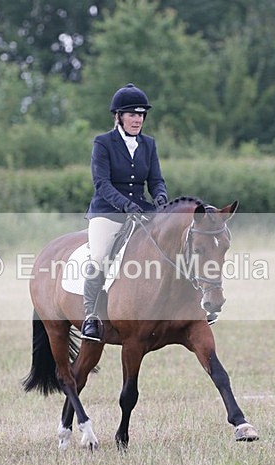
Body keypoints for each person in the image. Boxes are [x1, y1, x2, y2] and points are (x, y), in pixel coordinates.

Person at [81, 83, 168, 341]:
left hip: (142, 210)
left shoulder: (149, 144)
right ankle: (91, 317)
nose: (137, 119)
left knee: (176, 244)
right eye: (132, 114)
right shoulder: (103, 143)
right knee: (99, 257)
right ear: (118, 116)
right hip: (107, 212)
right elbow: (102, 184)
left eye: (141, 115)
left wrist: (160, 196)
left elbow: (155, 180)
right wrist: (125, 205)